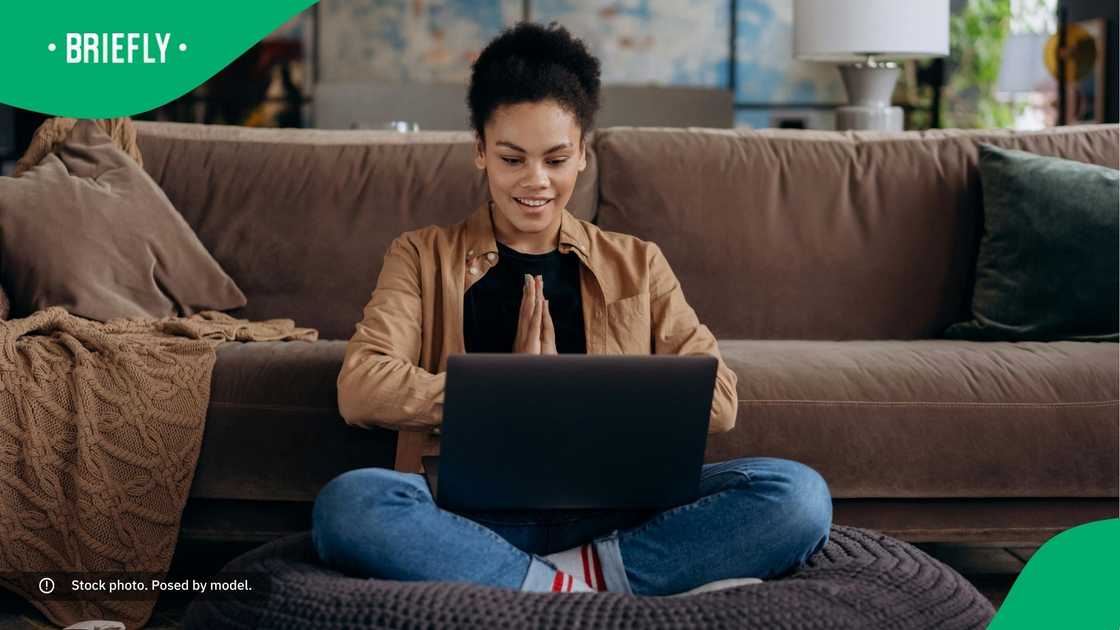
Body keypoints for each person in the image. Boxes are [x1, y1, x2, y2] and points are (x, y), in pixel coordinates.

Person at [312, 22, 832, 596]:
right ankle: (590, 586)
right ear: (480, 152)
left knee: (798, 496)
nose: (536, 181)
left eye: (556, 159)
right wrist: (506, 392)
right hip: (465, 515)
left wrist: (570, 394)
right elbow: (360, 386)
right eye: (512, 159)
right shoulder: (420, 255)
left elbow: (721, 401)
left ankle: (537, 586)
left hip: (613, 515)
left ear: (582, 154)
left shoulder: (638, 263)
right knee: (350, 505)